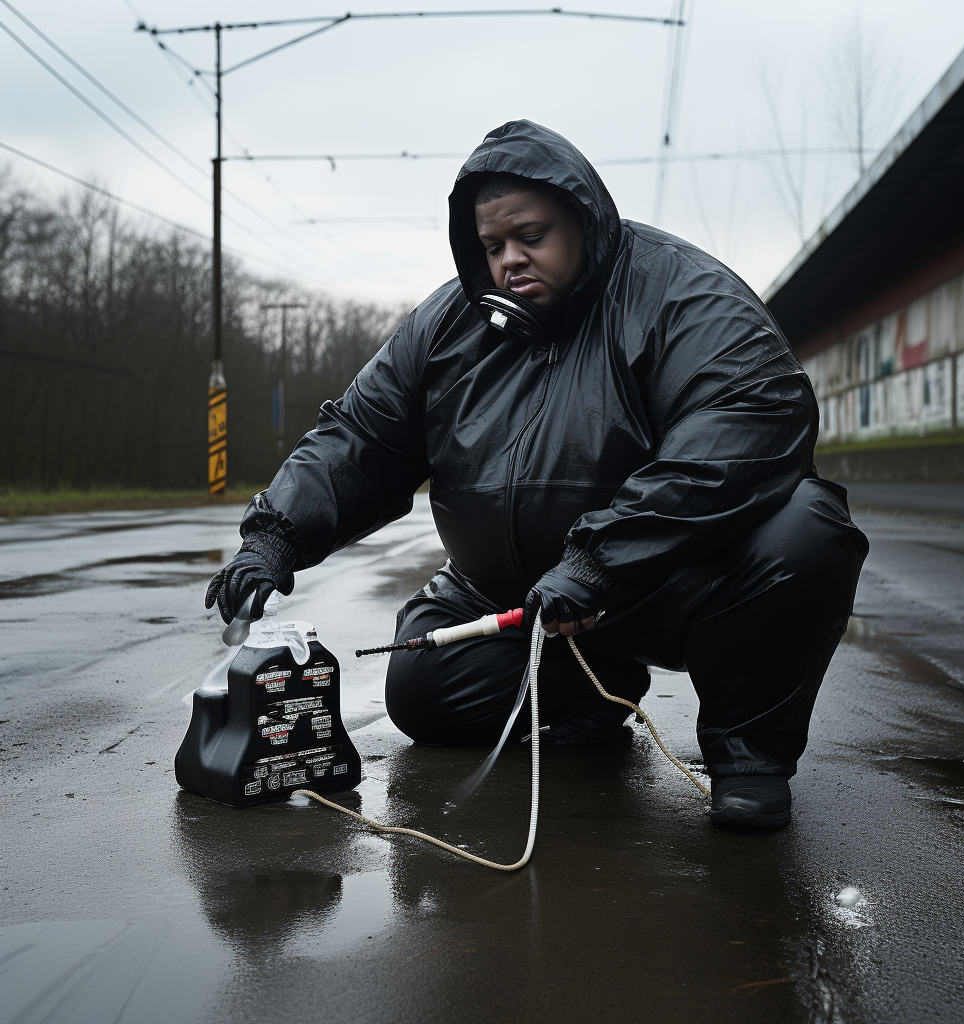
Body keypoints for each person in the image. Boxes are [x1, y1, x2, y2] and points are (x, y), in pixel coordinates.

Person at [206, 120, 868, 832]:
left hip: (663, 584)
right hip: (514, 599)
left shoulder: (683, 294)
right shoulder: (446, 324)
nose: (509, 262)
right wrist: (274, 536)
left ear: (581, 220)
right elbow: (361, 436)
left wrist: (601, 562)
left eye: (531, 236)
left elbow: (745, 419)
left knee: (807, 530)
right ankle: (594, 689)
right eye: (491, 247)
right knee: (422, 690)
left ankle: (748, 754)